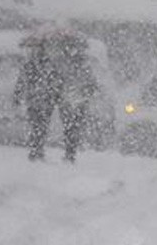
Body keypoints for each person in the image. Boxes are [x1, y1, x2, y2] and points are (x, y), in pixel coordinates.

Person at [13, 28, 99, 163]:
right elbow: (88, 81)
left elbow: (24, 79)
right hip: (65, 98)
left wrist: (19, 94)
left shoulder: (40, 62)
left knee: (40, 125)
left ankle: (39, 152)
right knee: (67, 126)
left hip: (45, 97)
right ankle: (66, 153)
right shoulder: (75, 62)